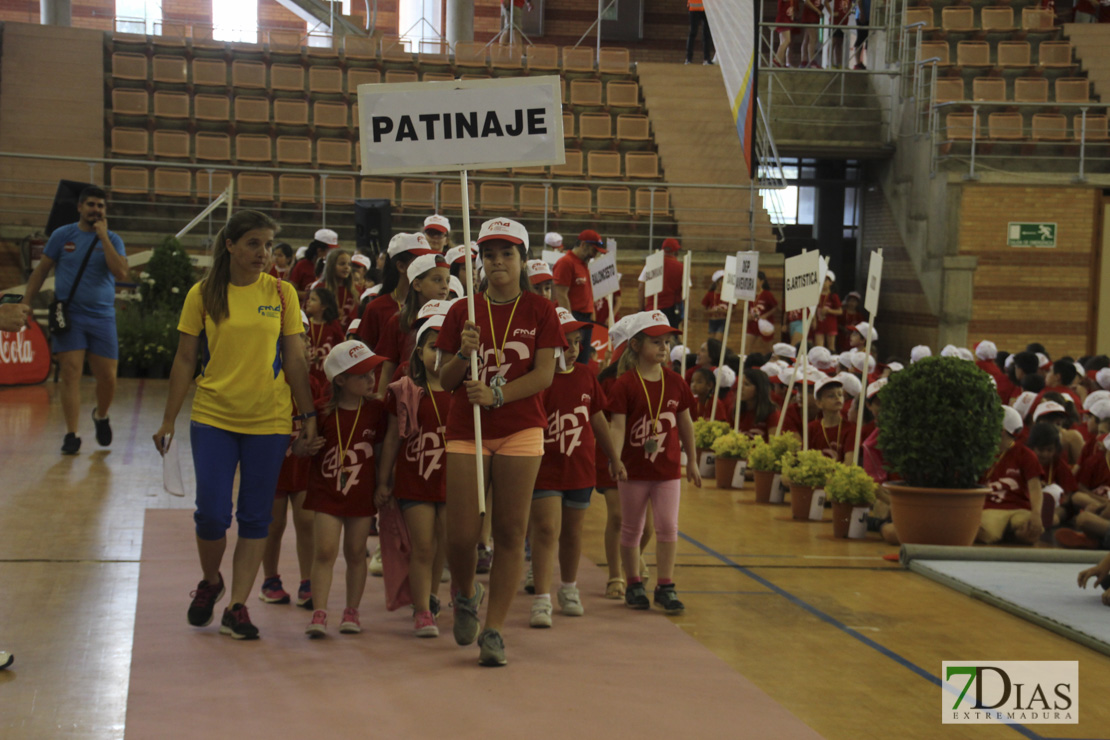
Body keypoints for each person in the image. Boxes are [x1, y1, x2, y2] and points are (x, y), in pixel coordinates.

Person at [154, 210, 318, 640]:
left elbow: (297, 359)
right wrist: (169, 418)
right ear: (229, 245)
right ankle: (211, 581)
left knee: (255, 517)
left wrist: (309, 416)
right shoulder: (203, 294)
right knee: (211, 514)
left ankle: (238, 607)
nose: (263, 253)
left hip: (269, 419)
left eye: (267, 245)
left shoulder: (283, 294)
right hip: (213, 416)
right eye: (253, 244)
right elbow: (186, 358)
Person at [436, 217, 565, 667]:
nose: (497, 261)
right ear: (480, 261)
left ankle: (493, 630)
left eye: (506, 253)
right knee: (461, 535)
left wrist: (496, 394)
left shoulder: (541, 311)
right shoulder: (461, 312)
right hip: (466, 428)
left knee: (511, 531)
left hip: (521, 428)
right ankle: (466, 592)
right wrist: (462, 354)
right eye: (489, 254)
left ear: (522, 259)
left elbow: (545, 375)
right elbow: (445, 379)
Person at [528, 309, 625, 628]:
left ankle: (568, 588)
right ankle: (541, 598)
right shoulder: (537, 377)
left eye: (576, 342)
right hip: (543, 468)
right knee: (545, 530)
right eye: (564, 341)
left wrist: (614, 456)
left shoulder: (585, 376)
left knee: (571, 532)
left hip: (580, 470)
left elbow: (597, 418)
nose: (571, 348)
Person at [22, 185, 129, 455]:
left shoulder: (114, 239)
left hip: (102, 316)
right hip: (70, 315)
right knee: (70, 373)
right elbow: (41, 271)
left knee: (107, 377)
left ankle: (101, 415)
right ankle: (72, 434)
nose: (96, 210)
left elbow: (121, 273)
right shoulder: (62, 235)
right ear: (80, 207)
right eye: (91, 204)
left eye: (101, 206)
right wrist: (25, 302)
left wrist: (103, 237)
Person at [608, 310, 702, 615]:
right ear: (636, 345)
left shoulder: (675, 383)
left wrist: (693, 462)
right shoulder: (624, 384)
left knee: (667, 526)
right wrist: (615, 458)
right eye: (656, 342)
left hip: (667, 470)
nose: (663, 348)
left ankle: (666, 585)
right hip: (633, 471)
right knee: (632, 527)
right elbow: (618, 426)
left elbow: (686, 424)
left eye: (667, 342)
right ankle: (633, 582)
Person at [303, 341, 387, 638]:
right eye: (362, 374)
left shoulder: (377, 409)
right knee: (324, 551)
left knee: (355, 552)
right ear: (340, 380)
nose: (371, 379)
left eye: (372, 372)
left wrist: (383, 483)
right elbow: (301, 448)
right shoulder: (320, 411)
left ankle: (352, 610)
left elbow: (380, 451)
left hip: (362, 493)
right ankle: (319, 611)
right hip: (327, 492)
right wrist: (306, 446)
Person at [376, 314, 452, 637]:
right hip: (415, 480)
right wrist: (383, 479)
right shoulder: (406, 390)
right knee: (423, 545)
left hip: (451, 482)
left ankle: (431, 598)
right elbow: (393, 437)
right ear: (419, 352)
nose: (440, 354)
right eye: (434, 347)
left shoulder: (462, 392)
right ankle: (422, 611)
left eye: (447, 348)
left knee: (443, 545)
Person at [258, 323, 322, 610]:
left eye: (307, 341)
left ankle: (308, 581)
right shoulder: (265, 380)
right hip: (272, 465)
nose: (306, 347)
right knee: (273, 524)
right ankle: (270, 579)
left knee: (307, 522)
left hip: (303, 465)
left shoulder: (314, 383)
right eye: (299, 340)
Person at [375, 252, 451, 397]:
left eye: (447, 281)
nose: (444, 286)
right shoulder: (399, 321)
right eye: (437, 280)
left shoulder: (452, 318)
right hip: (408, 393)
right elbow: (388, 367)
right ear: (417, 284)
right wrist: (382, 398)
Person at [977, 406, 1045, 546]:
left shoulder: (1025, 455)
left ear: (1001, 431)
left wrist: (1036, 514)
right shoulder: (980, 452)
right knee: (986, 533)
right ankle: (1009, 534)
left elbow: (1035, 488)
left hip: (1019, 508)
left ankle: (1013, 533)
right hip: (990, 508)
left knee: (1030, 530)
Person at [358, 233, 433, 351]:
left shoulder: (433, 306)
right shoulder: (376, 308)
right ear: (401, 266)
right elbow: (365, 355)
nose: (428, 267)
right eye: (420, 262)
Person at [553, 229, 605, 322]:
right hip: (574, 315)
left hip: (585, 317)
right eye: (593, 251)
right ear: (583, 245)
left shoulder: (584, 264)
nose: (594, 255)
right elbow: (561, 294)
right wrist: (568, 321)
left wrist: (591, 312)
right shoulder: (566, 263)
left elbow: (586, 292)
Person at [638, 238, 686, 328]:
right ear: (676, 251)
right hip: (671, 311)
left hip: (651, 310)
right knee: (669, 338)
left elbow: (641, 288)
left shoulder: (652, 264)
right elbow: (686, 295)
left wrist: (641, 310)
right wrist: (686, 317)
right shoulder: (681, 267)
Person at [304, 288, 346, 387]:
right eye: (309, 298)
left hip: (326, 376)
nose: (308, 301)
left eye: (313, 299)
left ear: (323, 306)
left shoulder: (333, 325)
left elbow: (341, 348)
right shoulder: (304, 324)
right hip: (307, 374)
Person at [807, 376, 856, 461]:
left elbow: (849, 463)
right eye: (831, 395)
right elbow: (805, 457)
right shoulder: (811, 428)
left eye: (840, 394)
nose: (837, 398)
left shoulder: (851, 428)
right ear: (819, 403)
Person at [313, 248, 358, 322]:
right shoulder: (320, 289)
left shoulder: (356, 290)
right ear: (331, 266)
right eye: (342, 264)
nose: (347, 267)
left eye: (349, 264)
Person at [747, 271, 779, 356]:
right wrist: (748, 316)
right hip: (752, 324)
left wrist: (766, 315)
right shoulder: (750, 294)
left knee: (769, 349)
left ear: (761, 281)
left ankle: (774, 363)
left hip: (764, 324)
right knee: (746, 347)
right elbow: (748, 308)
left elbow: (776, 307)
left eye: (756, 280)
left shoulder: (767, 294)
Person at [815, 272, 842, 350]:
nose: (823, 283)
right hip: (819, 323)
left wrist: (829, 311)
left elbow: (840, 311)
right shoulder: (816, 295)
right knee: (819, 347)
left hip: (830, 324)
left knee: (831, 347)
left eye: (825, 280)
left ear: (830, 282)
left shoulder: (833, 296)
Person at [702, 270, 729, 342]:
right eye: (722, 281)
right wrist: (711, 311)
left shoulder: (727, 295)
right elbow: (704, 310)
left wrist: (724, 311)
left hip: (723, 321)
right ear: (717, 283)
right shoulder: (710, 294)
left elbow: (733, 310)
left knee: (717, 341)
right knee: (711, 341)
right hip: (713, 320)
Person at [685, 0, 714, 65]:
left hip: (701, 8)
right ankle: (690, 59)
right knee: (695, 33)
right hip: (698, 8)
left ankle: (689, 59)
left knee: (703, 34)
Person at [774, 0, 797, 67]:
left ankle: (782, 62)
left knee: (783, 42)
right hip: (783, 20)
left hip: (786, 20)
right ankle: (776, 59)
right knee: (787, 40)